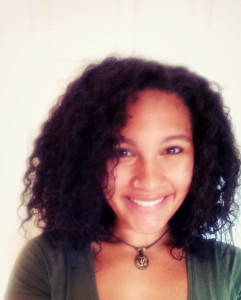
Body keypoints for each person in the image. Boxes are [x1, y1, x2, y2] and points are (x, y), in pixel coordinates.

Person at [4, 57, 241, 300]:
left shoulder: (232, 270)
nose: (148, 181)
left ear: (200, 158)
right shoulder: (46, 262)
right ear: (88, 160)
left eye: (172, 150)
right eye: (122, 152)